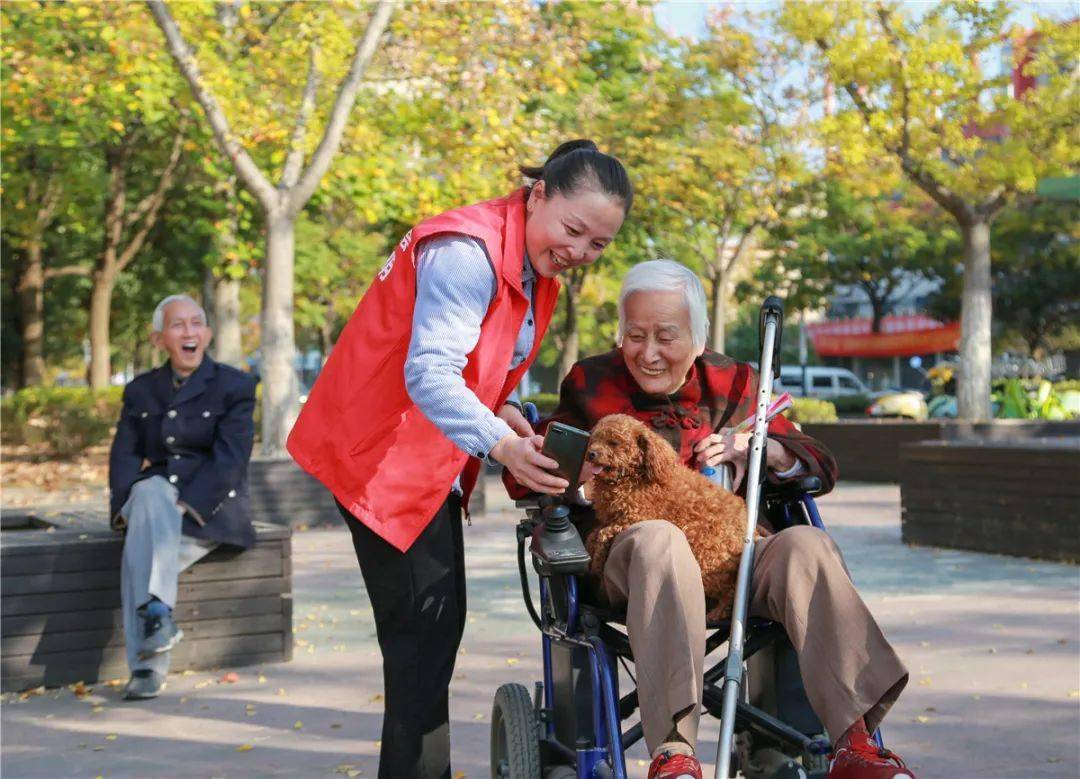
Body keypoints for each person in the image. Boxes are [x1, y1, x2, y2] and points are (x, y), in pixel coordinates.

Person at [287, 140, 633, 778]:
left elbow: (481, 376)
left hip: (422, 458)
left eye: (598, 245)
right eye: (574, 229)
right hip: (382, 456)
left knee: (429, 641)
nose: (580, 252)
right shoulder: (468, 253)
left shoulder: (524, 256)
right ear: (537, 196)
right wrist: (503, 445)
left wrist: (512, 424)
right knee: (422, 642)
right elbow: (432, 375)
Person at [506, 260, 913, 779]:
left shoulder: (738, 381)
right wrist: (571, 475)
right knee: (660, 541)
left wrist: (762, 449)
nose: (648, 352)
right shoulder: (590, 381)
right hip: (630, 560)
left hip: (734, 556)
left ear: (697, 339)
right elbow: (535, 472)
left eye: (665, 337)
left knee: (807, 546)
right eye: (635, 335)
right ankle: (674, 754)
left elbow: (819, 463)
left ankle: (855, 745)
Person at [109, 294, 258, 700]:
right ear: (159, 339)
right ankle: (158, 617)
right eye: (178, 325)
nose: (189, 332)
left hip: (210, 509)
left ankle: (145, 667)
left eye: (196, 323)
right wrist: (124, 508)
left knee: (138, 556)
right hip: (154, 501)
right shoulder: (140, 392)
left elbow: (231, 460)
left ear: (207, 334)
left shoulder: (235, 386)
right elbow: (124, 457)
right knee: (147, 491)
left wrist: (183, 504)